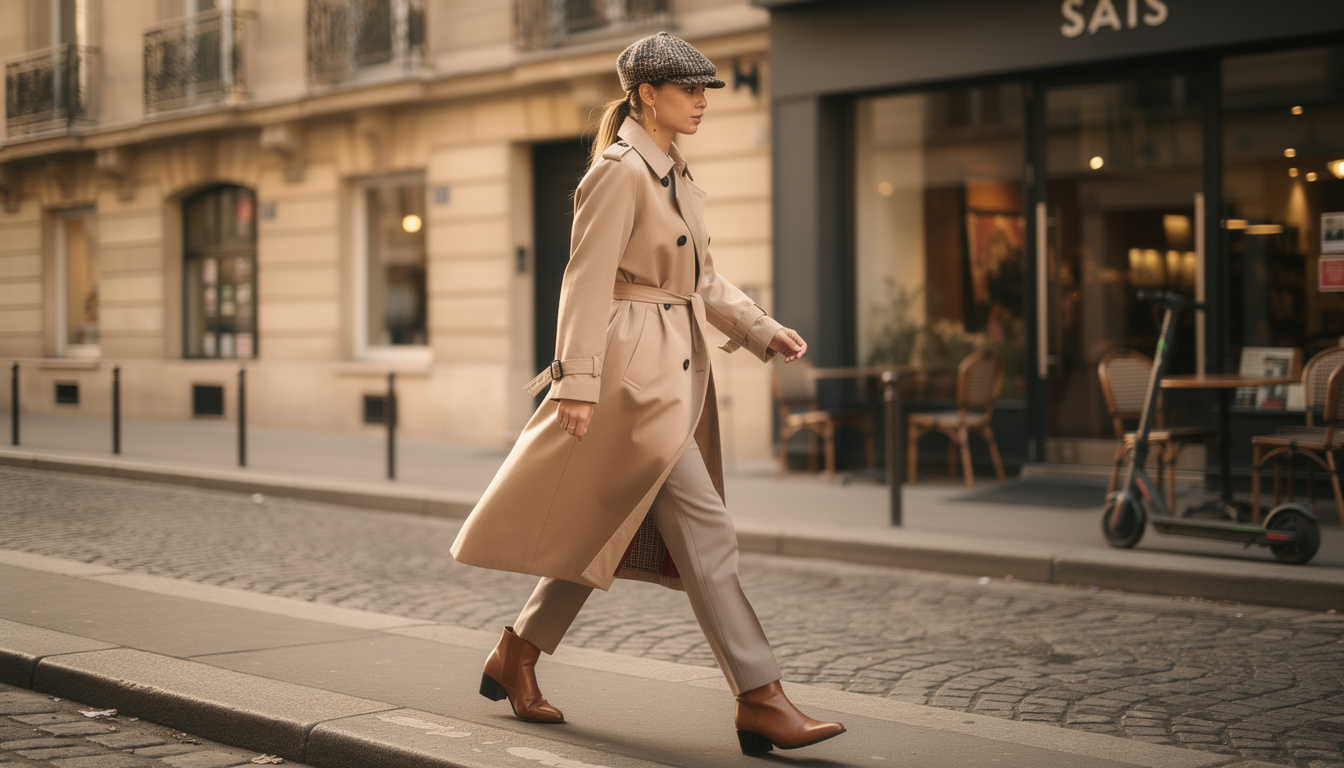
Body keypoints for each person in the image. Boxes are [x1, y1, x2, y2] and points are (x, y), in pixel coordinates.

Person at [450, 31, 846, 757]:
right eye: (689, 88)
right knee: (708, 533)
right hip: (635, 384)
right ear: (646, 95)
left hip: (676, 371)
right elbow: (585, 280)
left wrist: (763, 329)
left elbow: (701, 282)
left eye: (706, 90)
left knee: (601, 526)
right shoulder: (619, 171)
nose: (701, 100)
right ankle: (761, 698)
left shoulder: (677, 175)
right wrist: (576, 382)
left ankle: (516, 657)